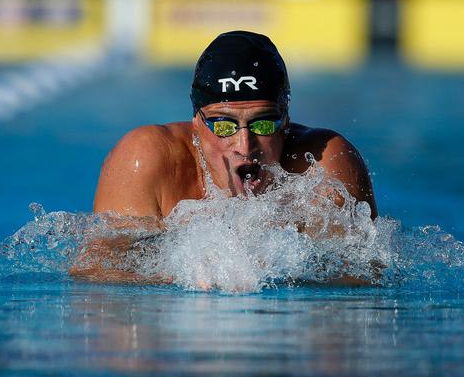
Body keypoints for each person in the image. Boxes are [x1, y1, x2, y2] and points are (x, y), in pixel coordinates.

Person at [71, 30, 377, 283]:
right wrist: (183, 270)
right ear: (197, 123)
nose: (245, 145)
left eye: (263, 123)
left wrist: (278, 265)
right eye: (223, 125)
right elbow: (93, 271)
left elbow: (366, 274)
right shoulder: (147, 157)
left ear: (285, 120)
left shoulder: (321, 162)